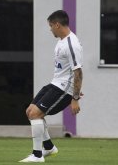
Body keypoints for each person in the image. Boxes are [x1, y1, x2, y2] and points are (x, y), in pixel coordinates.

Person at [19, 10, 83, 163]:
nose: (50, 30)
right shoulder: (62, 40)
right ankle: (48, 147)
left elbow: (78, 72)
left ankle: (37, 155)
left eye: (51, 26)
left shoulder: (71, 43)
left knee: (35, 114)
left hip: (63, 89)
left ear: (57, 24)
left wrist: (74, 98)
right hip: (55, 83)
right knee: (30, 111)